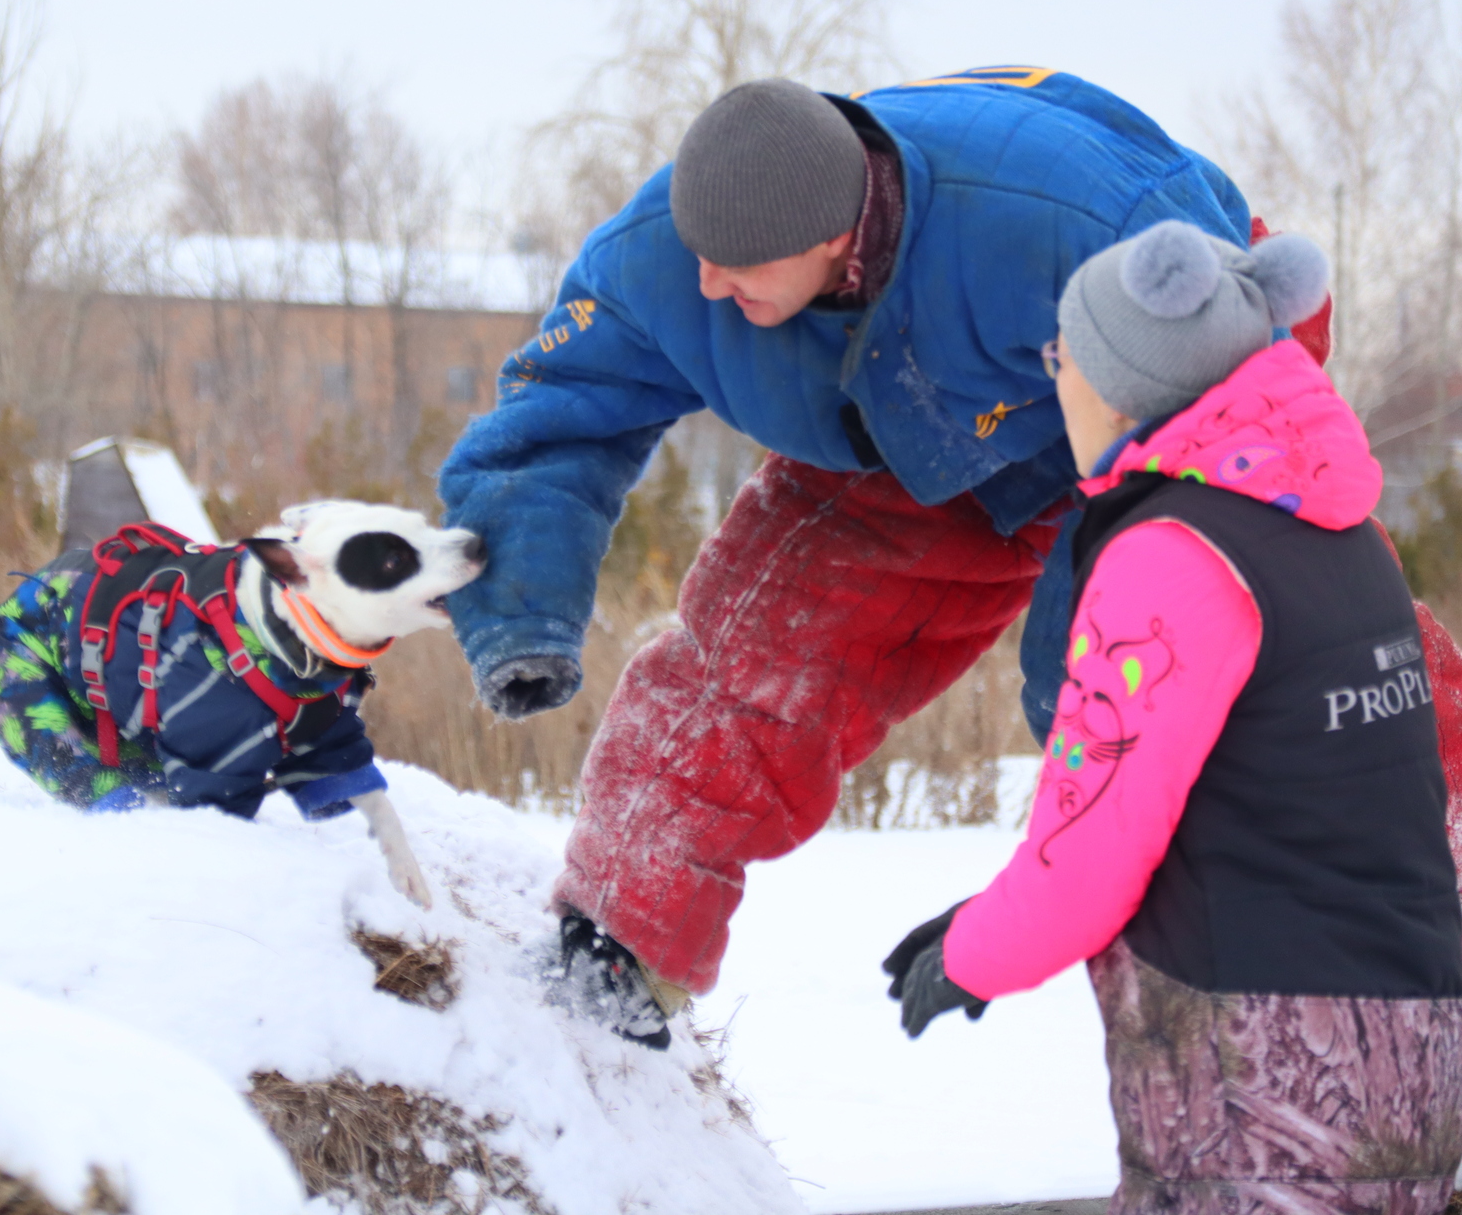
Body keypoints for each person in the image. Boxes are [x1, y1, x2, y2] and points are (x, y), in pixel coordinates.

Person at [436, 68, 1462, 1044]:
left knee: (1189, 680)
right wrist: (520, 607)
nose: (706, 281)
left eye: (738, 265)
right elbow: (552, 417)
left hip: (1145, 413)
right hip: (899, 445)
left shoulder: (1070, 220)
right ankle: (616, 955)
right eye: (698, 252)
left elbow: (1232, 360)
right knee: (747, 667)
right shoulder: (665, 262)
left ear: (833, 238)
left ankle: (1417, 875)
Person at [882, 220, 1462, 1213]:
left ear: (1115, 382)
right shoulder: (1346, 540)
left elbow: (1089, 850)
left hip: (1261, 1090)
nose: (1052, 375)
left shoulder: (1171, 559)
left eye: (1060, 355)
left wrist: (972, 957)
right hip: (1416, 1060)